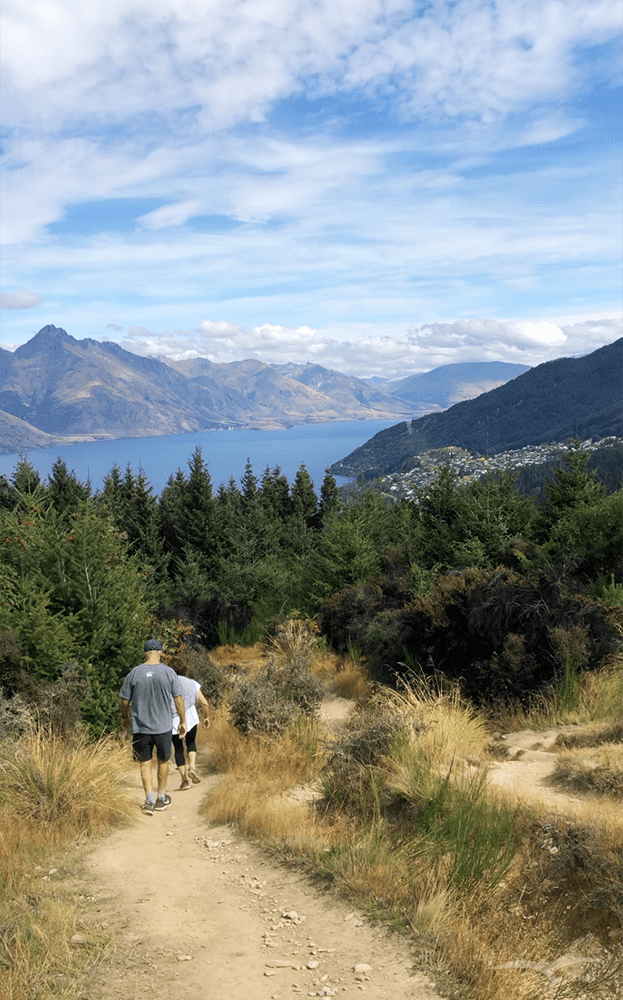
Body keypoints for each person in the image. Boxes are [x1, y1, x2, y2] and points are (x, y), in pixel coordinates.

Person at [119, 639, 187, 815]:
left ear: (145, 653)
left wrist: (125, 717)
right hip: (163, 727)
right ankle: (161, 797)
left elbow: (124, 700)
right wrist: (182, 720)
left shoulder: (134, 673)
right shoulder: (168, 672)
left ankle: (148, 798)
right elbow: (178, 698)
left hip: (141, 727)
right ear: (161, 653)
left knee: (145, 762)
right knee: (163, 760)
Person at [171, 661, 210, 790]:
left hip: (173, 721)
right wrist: (206, 717)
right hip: (191, 718)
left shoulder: (167, 685)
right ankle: (192, 767)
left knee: (178, 748)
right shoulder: (192, 683)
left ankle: (184, 781)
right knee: (191, 743)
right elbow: (204, 703)